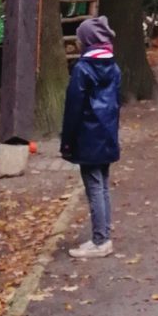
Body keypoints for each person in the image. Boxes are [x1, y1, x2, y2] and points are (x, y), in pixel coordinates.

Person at [61, 14, 121, 259]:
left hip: (87, 137)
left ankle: (100, 240)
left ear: (86, 41)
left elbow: (73, 108)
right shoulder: (114, 68)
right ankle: (103, 235)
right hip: (106, 135)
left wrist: (67, 141)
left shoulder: (83, 70)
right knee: (102, 186)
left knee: (95, 187)